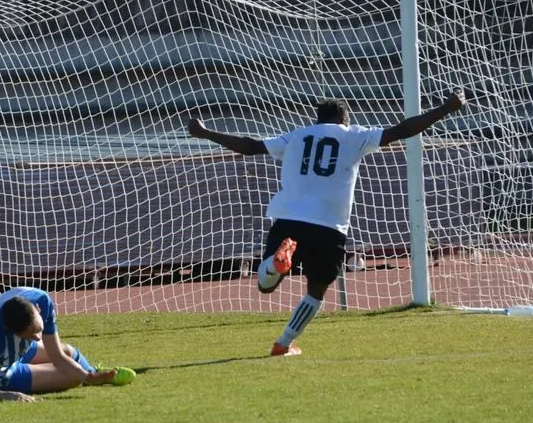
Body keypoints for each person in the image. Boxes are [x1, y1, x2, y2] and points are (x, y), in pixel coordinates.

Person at [187, 89, 467, 356]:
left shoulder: (296, 137)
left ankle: (275, 264)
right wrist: (445, 109)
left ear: (317, 120)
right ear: (345, 120)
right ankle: (283, 343)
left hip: (290, 220)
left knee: (266, 285)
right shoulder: (354, 135)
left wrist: (205, 132)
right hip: (329, 226)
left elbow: (249, 146)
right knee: (317, 290)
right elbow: (402, 130)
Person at [0, 286, 136, 401]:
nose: (38, 338)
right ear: (14, 335)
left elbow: (57, 356)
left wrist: (89, 377)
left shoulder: (41, 300)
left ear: (37, 309)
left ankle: (93, 373)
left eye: (38, 330)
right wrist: (13, 396)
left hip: (11, 347)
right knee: (72, 377)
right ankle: (86, 376)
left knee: (69, 352)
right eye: (30, 336)